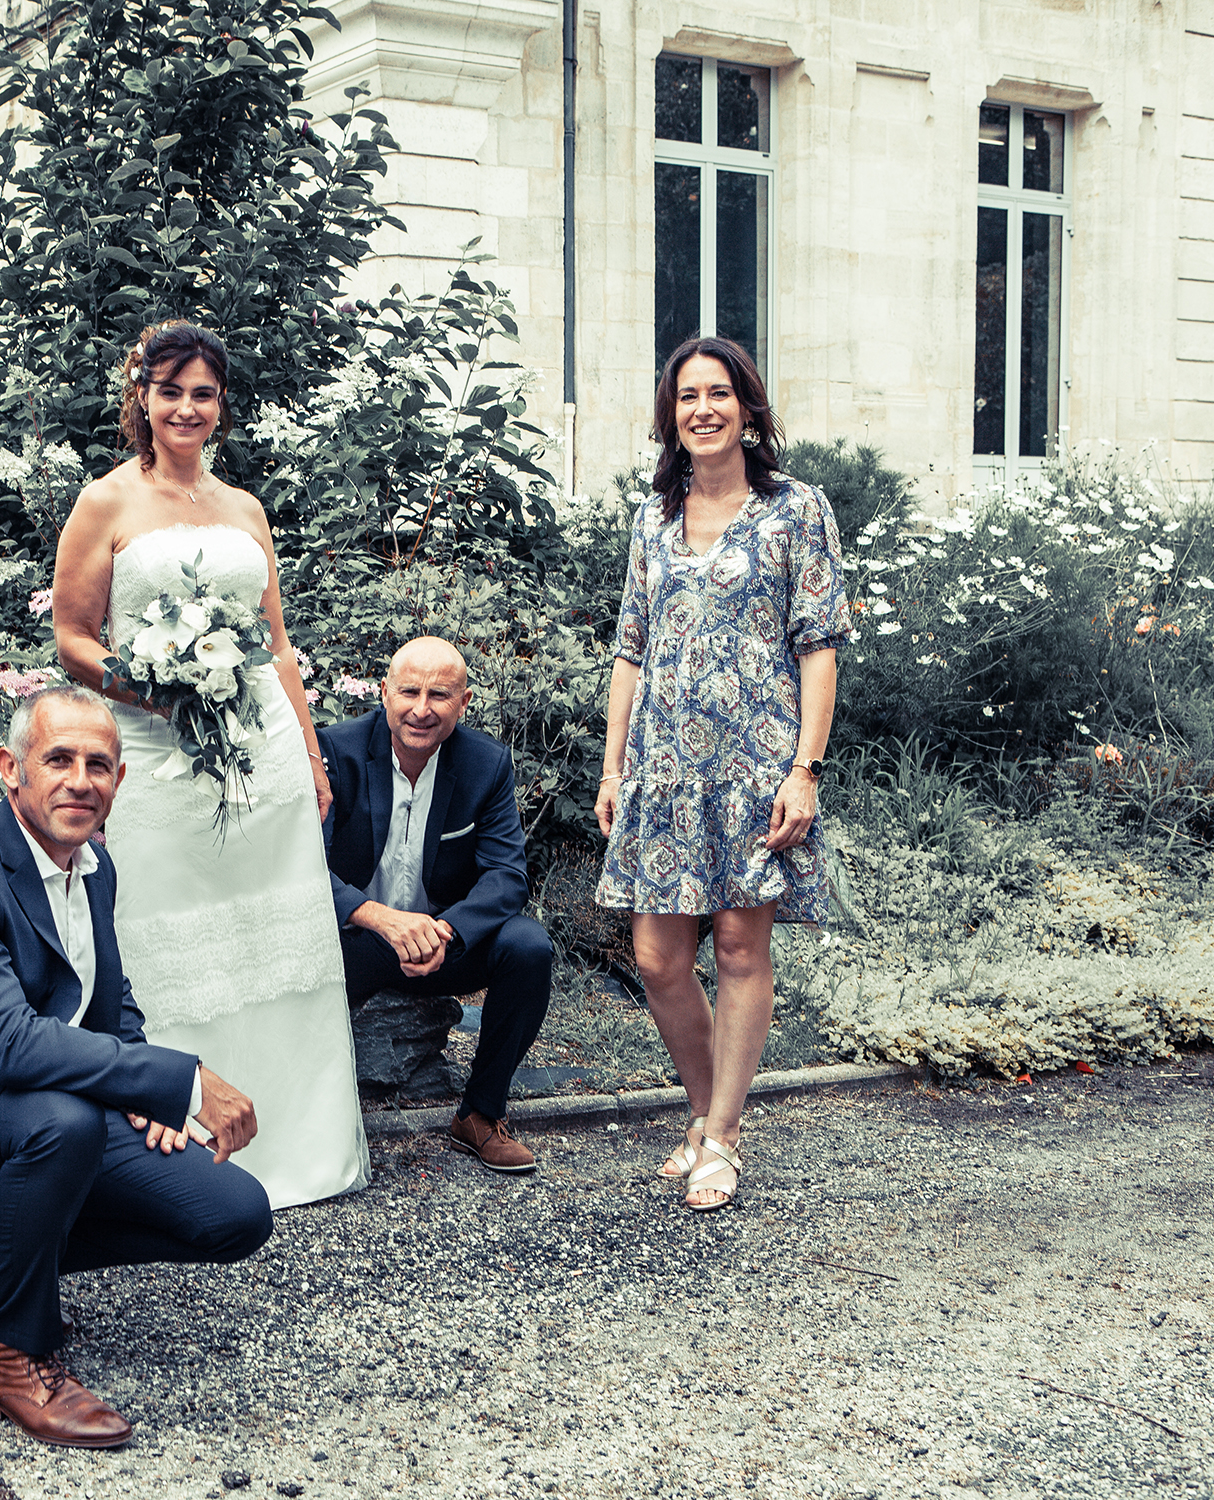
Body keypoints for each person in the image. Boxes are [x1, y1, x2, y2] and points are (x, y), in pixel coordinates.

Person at [0, 686, 272, 1448]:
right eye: (59, 760)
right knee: (65, 1122)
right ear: (11, 769)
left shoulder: (94, 866)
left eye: (99, 765)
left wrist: (142, 1089)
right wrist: (180, 1082)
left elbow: (111, 1000)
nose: (81, 781)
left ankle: (3, 1245)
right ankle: (13, 1358)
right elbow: (9, 1042)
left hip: (41, 1110)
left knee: (235, 1215)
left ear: (119, 779)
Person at [51, 320, 370, 1210]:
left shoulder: (244, 508)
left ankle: (300, 1144)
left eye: (204, 394)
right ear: (142, 398)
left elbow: (277, 646)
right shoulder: (106, 503)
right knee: (164, 933)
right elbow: (72, 636)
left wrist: (310, 756)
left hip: (261, 755)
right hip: (157, 755)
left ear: (221, 406)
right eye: (171, 392)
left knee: (275, 940)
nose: (186, 409)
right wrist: (151, 688)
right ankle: (175, 1155)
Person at [593, 335, 853, 1212]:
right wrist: (614, 766)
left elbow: (819, 647)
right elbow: (631, 648)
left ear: (746, 407)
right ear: (670, 416)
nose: (702, 409)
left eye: (718, 394)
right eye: (687, 397)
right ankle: (705, 1115)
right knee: (658, 957)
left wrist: (804, 770)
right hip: (663, 770)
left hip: (755, 767)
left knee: (741, 948)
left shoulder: (795, 510)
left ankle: (723, 1137)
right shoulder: (653, 518)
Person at [319, 636, 557, 1174]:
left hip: (442, 945)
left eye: (439, 695)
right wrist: (380, 919)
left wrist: (444, 931)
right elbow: (304, 866)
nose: (421, 709)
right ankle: (316, 1113)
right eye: (409, 692)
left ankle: (480, 1114)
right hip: (357, 940)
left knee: (528, 946)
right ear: (384, 692)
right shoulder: (337, 752)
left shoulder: (486, 763)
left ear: (464, 702)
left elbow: (507, 875)